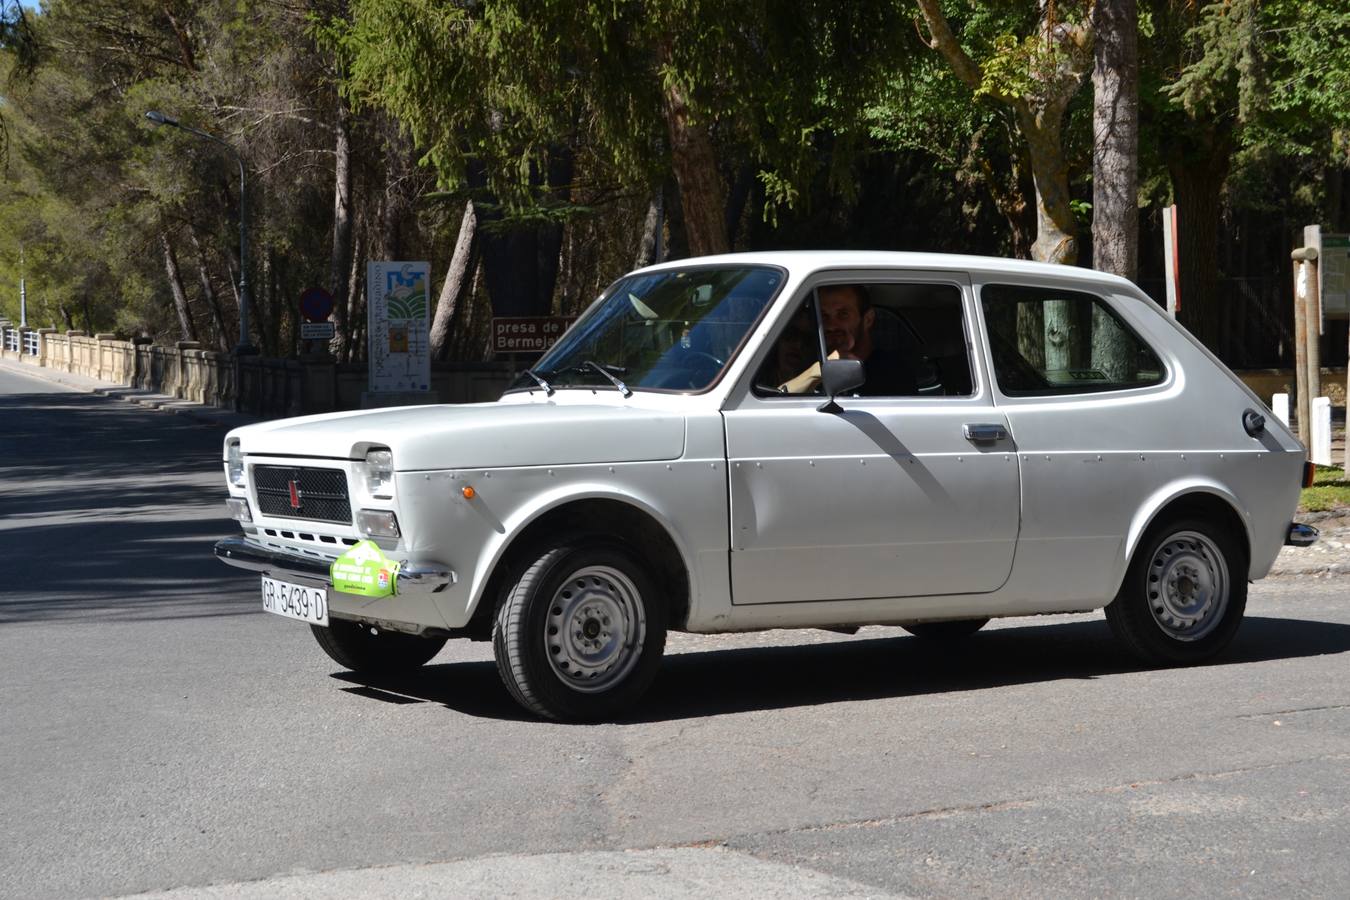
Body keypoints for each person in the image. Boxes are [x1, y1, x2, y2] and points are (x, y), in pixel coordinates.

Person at [817, 284, 916, 396]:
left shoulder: (893, 373)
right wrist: (817, 372)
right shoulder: (812, 366)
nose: (831, 326)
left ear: (868, 319)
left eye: (843, 314)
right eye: (824, 315)